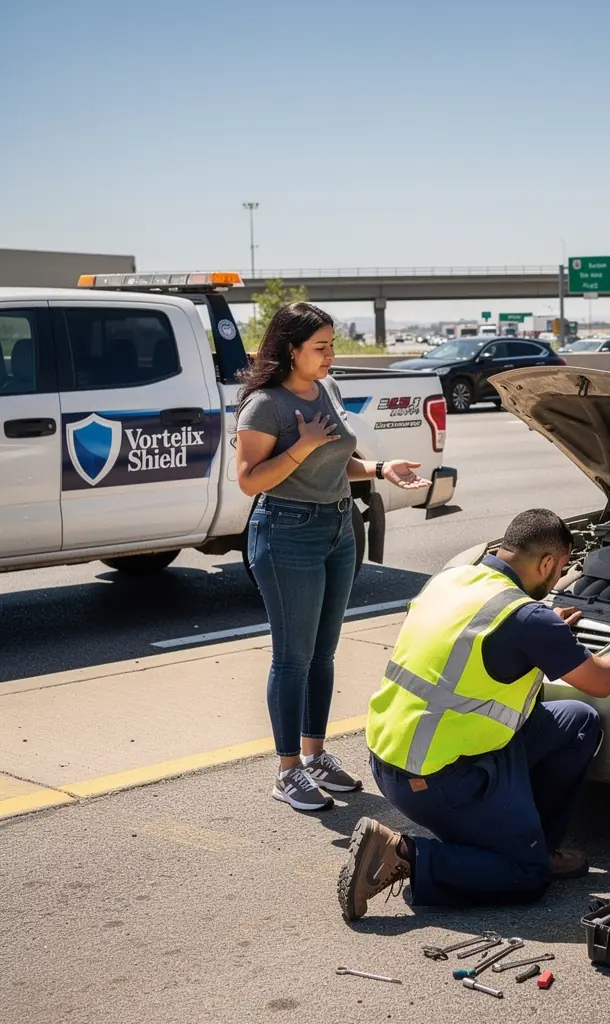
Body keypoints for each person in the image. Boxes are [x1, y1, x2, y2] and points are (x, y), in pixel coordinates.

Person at [337, 509, 610, 920]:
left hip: (394, 758)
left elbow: (473, 644)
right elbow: (602, 680)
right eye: (561, 568)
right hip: (437, 779)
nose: (559, 577)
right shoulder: (526, 619)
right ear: (547, 562)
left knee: (577, 722)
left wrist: (545, 633)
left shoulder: (454, 580)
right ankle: (402, 853)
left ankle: (536, 844)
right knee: (525, 877)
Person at [235, 302, 429, 812]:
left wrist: (382, 468)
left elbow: (338, 460)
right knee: (292, 658)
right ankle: (287, 770)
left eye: (332, 345)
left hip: (338, 527)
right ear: (290, 349)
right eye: (320, 347)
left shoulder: (328, 389)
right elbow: (248, 481)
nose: (330, 355)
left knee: (323, 654)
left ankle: (315, 755)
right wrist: (300, 447)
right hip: (286, 531)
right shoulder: (264, 405)